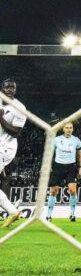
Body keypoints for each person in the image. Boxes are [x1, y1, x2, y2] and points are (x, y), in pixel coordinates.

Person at [0, 79, 26, 230]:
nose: (10, 89)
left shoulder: (20, 108)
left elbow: (16, 132)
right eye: (7, 87)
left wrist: (1, 119)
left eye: (13, 87)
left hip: (6, 148)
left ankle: (12, 211)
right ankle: (13, 211)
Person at [46, 121, 81, 223]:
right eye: (66, 128)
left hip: (71, 167)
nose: (68, 130)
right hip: (58, 167)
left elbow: (79, 154)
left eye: (70, 128)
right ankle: (49, 215)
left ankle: (72, 214)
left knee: (73, 190)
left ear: (73, 129)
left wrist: (80, 167)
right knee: (53, 191)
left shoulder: (76, 140)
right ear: (63, 129)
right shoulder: (56, 140)